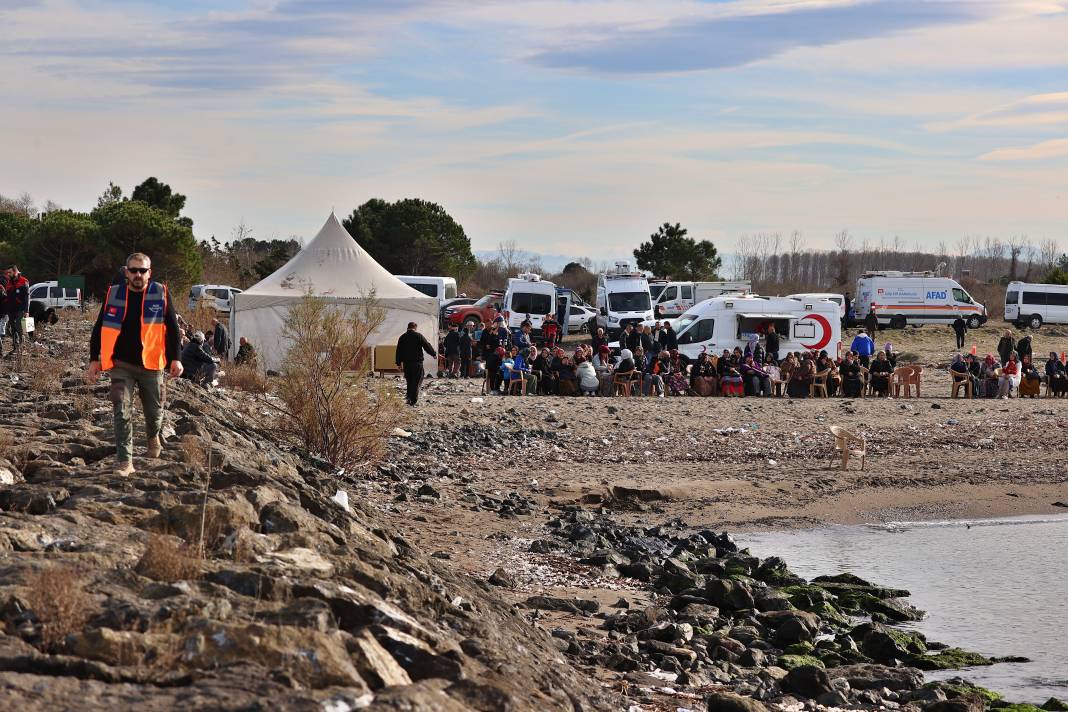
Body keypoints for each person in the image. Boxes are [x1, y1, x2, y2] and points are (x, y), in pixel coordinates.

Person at [87, 253, 183, 475]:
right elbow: (99, 326)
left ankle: (153, 438)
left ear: (150, 273)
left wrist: (176, 358)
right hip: (121, 365)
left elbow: (174, 329)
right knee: (121, 410)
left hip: (152, 365)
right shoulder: (114, 293)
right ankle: (125, 462)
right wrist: (94, 359)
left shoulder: (161, 293)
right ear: (126, 272)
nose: (138, 274)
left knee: (154, 413)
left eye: (143, 270)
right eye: (133, 270)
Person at [395, 321, 436, 406]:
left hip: (407, 364)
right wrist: (433, 354)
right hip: (417, 363)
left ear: (408, 327)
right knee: (417, 381)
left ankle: (409, 398)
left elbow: (398, 351)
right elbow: (426, 345)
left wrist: (398, 363)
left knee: (409, 381)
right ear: (415, 328)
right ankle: (413, 400)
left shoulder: (402, 337)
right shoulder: (418, 336)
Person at [3, 265, 29, 357]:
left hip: (21, 309)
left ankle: (22, 347)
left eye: (10, 272)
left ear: (15, 272)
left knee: (20, 327)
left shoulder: (24, 281)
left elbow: (27, 297)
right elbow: (7, 297)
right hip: (11, 310)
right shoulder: (8, 283)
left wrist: (26, 310)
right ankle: (15, 347)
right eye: (7, 273)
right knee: (12, 329)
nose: (8, 274)